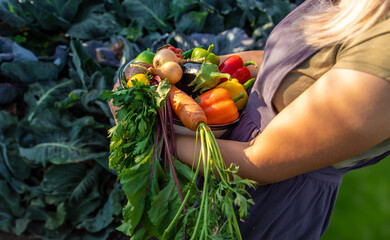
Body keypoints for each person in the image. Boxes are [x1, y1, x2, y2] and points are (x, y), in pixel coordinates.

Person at [110, 0, 390, 239]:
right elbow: (294, 64)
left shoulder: (384, 51)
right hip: (211, 157)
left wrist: (151, 135)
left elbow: (260, 160)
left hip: (264, 198)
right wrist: (192, 70)